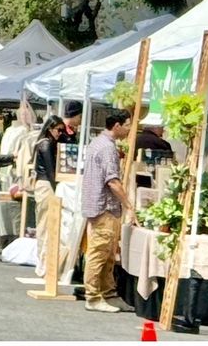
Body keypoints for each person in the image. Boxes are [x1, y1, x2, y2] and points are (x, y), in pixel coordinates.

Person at [81, 109, 135, 313]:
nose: (130, 129)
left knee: (108, 253)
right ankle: (93, 296)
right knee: (99, 252)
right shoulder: (107, 148)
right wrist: (129, 205)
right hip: (104, 207)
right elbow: (112, 181)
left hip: (99, 206)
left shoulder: (98, 143)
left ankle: (108, 293)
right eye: (128, 124)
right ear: (117, 126)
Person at [33, 115, 66, 277]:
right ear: (50, 128)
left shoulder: (45, 143)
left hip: (44, 184)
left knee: (45, 224)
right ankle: (43, 263)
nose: (60, 133)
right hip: (46, 185)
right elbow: (51, 170)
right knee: (46, 225)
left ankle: (43, 262)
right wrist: (59, 188)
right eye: (58, 130)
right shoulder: (46, 145)